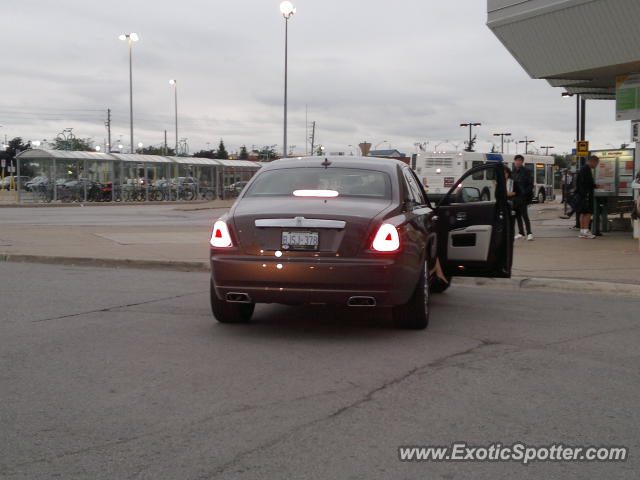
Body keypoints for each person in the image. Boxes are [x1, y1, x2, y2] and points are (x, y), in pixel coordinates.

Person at [575, 155, 600, 239]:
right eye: (596, 163)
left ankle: (582, 231)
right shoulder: (587, 169)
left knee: (583, 213)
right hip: (586, 194)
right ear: (593, 161)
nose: (596, 165)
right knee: (588, 213)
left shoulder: (582, 169)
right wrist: (595, 185)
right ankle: (586, 231)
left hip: (582, 194)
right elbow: (588, 182)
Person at [512, 155, 534, 241]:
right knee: (517, 215)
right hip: (514, 197)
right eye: (516, 160)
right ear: (514, 161)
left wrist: (525, 193)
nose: (518, 162)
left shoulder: (526, 171)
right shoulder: (512, 171)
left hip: (523, 197)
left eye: (519, 160)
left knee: (525, 215)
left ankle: (529, 233)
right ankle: (521, 233)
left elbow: (530, 184)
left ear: (522, 162)